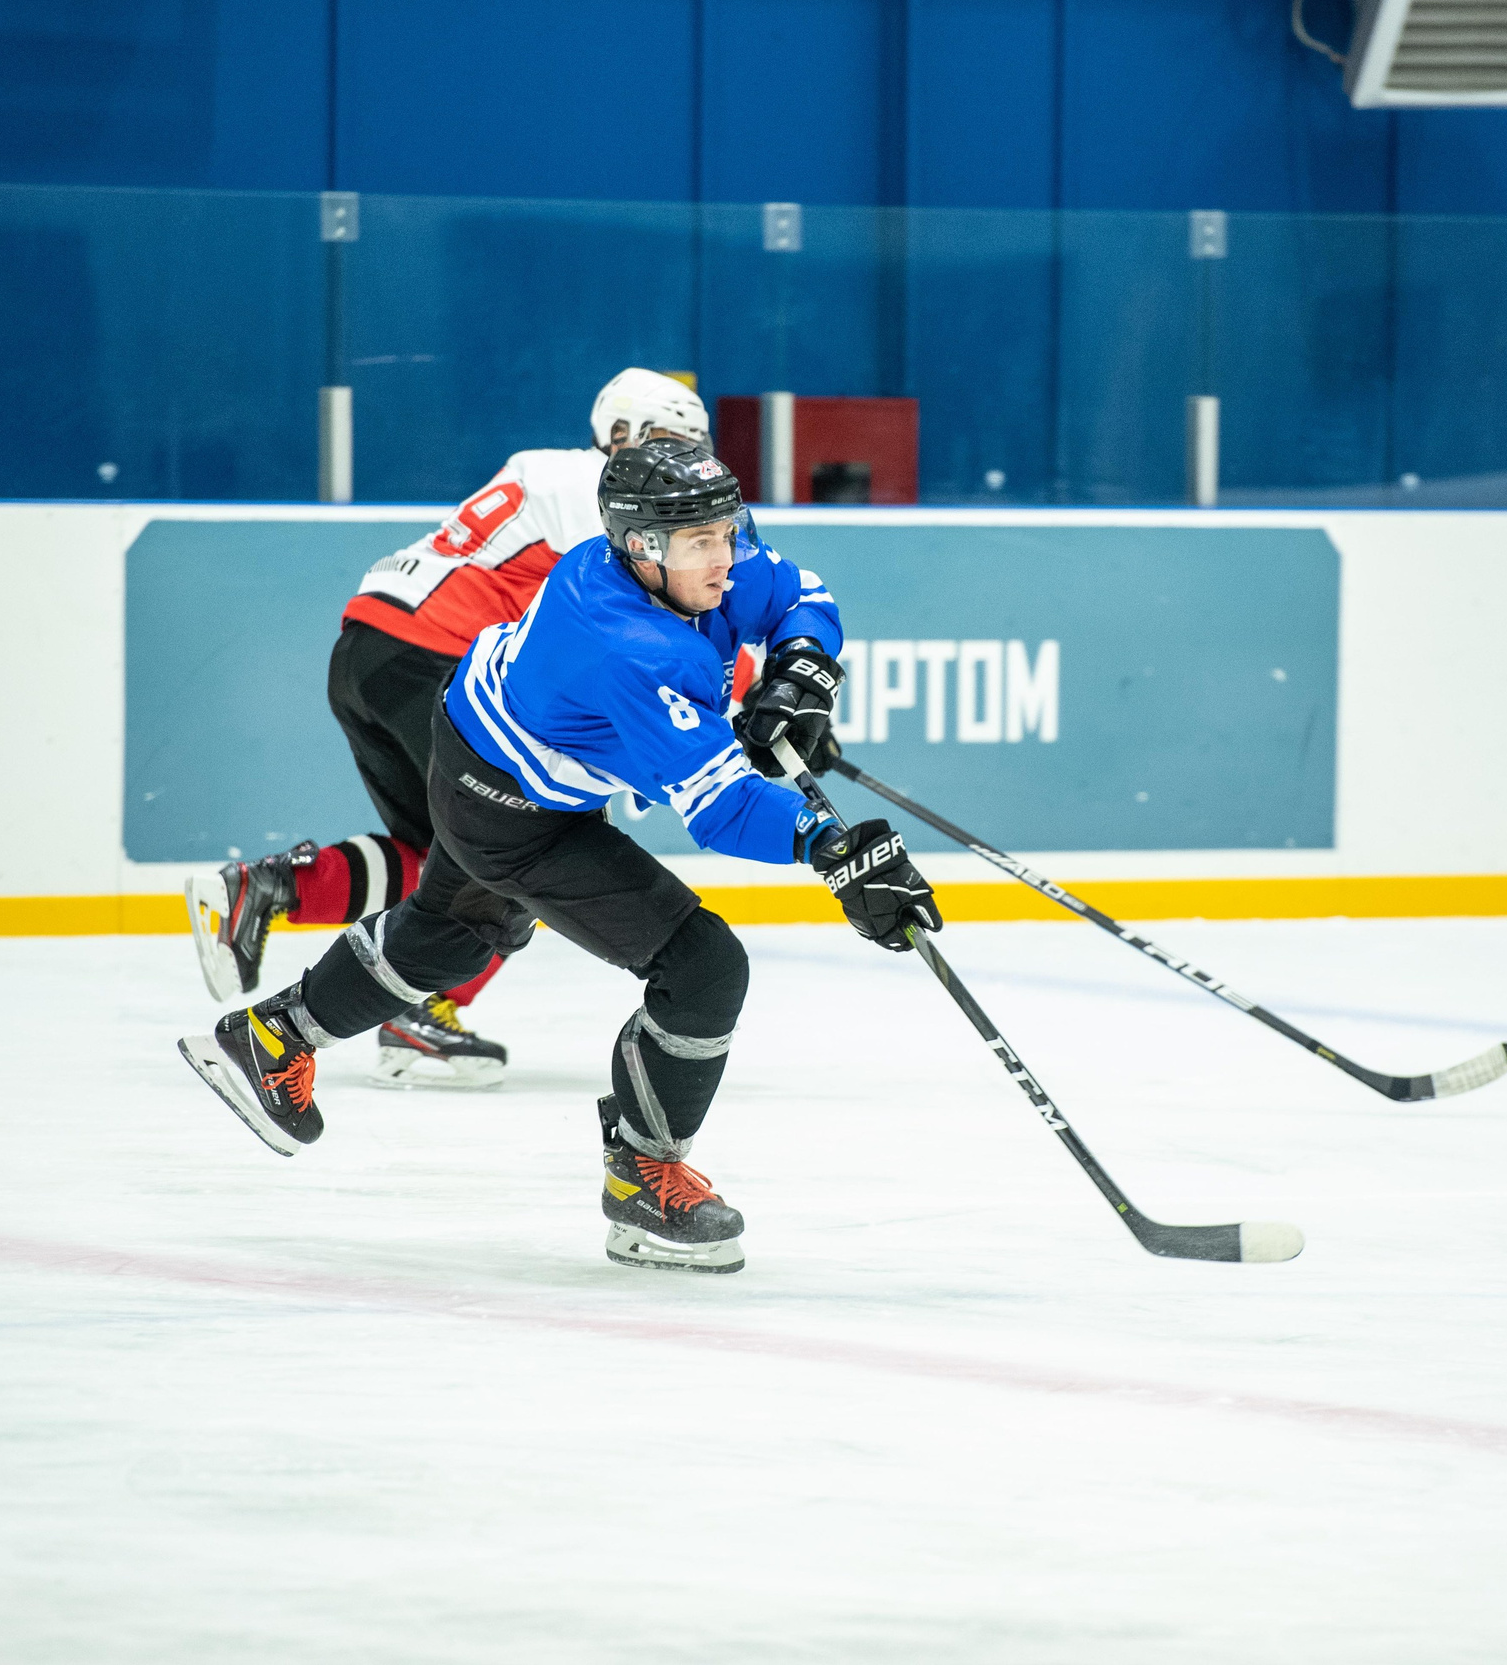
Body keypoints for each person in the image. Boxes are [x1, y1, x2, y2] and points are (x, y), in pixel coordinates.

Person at [177, 440, 941, 1274]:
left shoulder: (684, 568)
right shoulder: (632, 646)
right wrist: (830, 846)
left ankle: (270, 1036)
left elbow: (801, 594)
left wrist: (801, 672)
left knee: (458, 931)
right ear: (643, 548)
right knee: (703, 967)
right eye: (703, 541)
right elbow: (722, 808)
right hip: (509, 805)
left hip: (478, 742)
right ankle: (644, 1179)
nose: (727, 556)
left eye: (729, 530)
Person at [183, 368, 715, 1091]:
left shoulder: (542, 469)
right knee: (516, 853)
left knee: (440, 856)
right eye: (673, 441)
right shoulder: (605, 492)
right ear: (624, 434)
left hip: (369, 645)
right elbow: (662, 619)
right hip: (440, 658)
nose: (686, 463)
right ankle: (418, 1014)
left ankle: (272, 889)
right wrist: (757, 691)